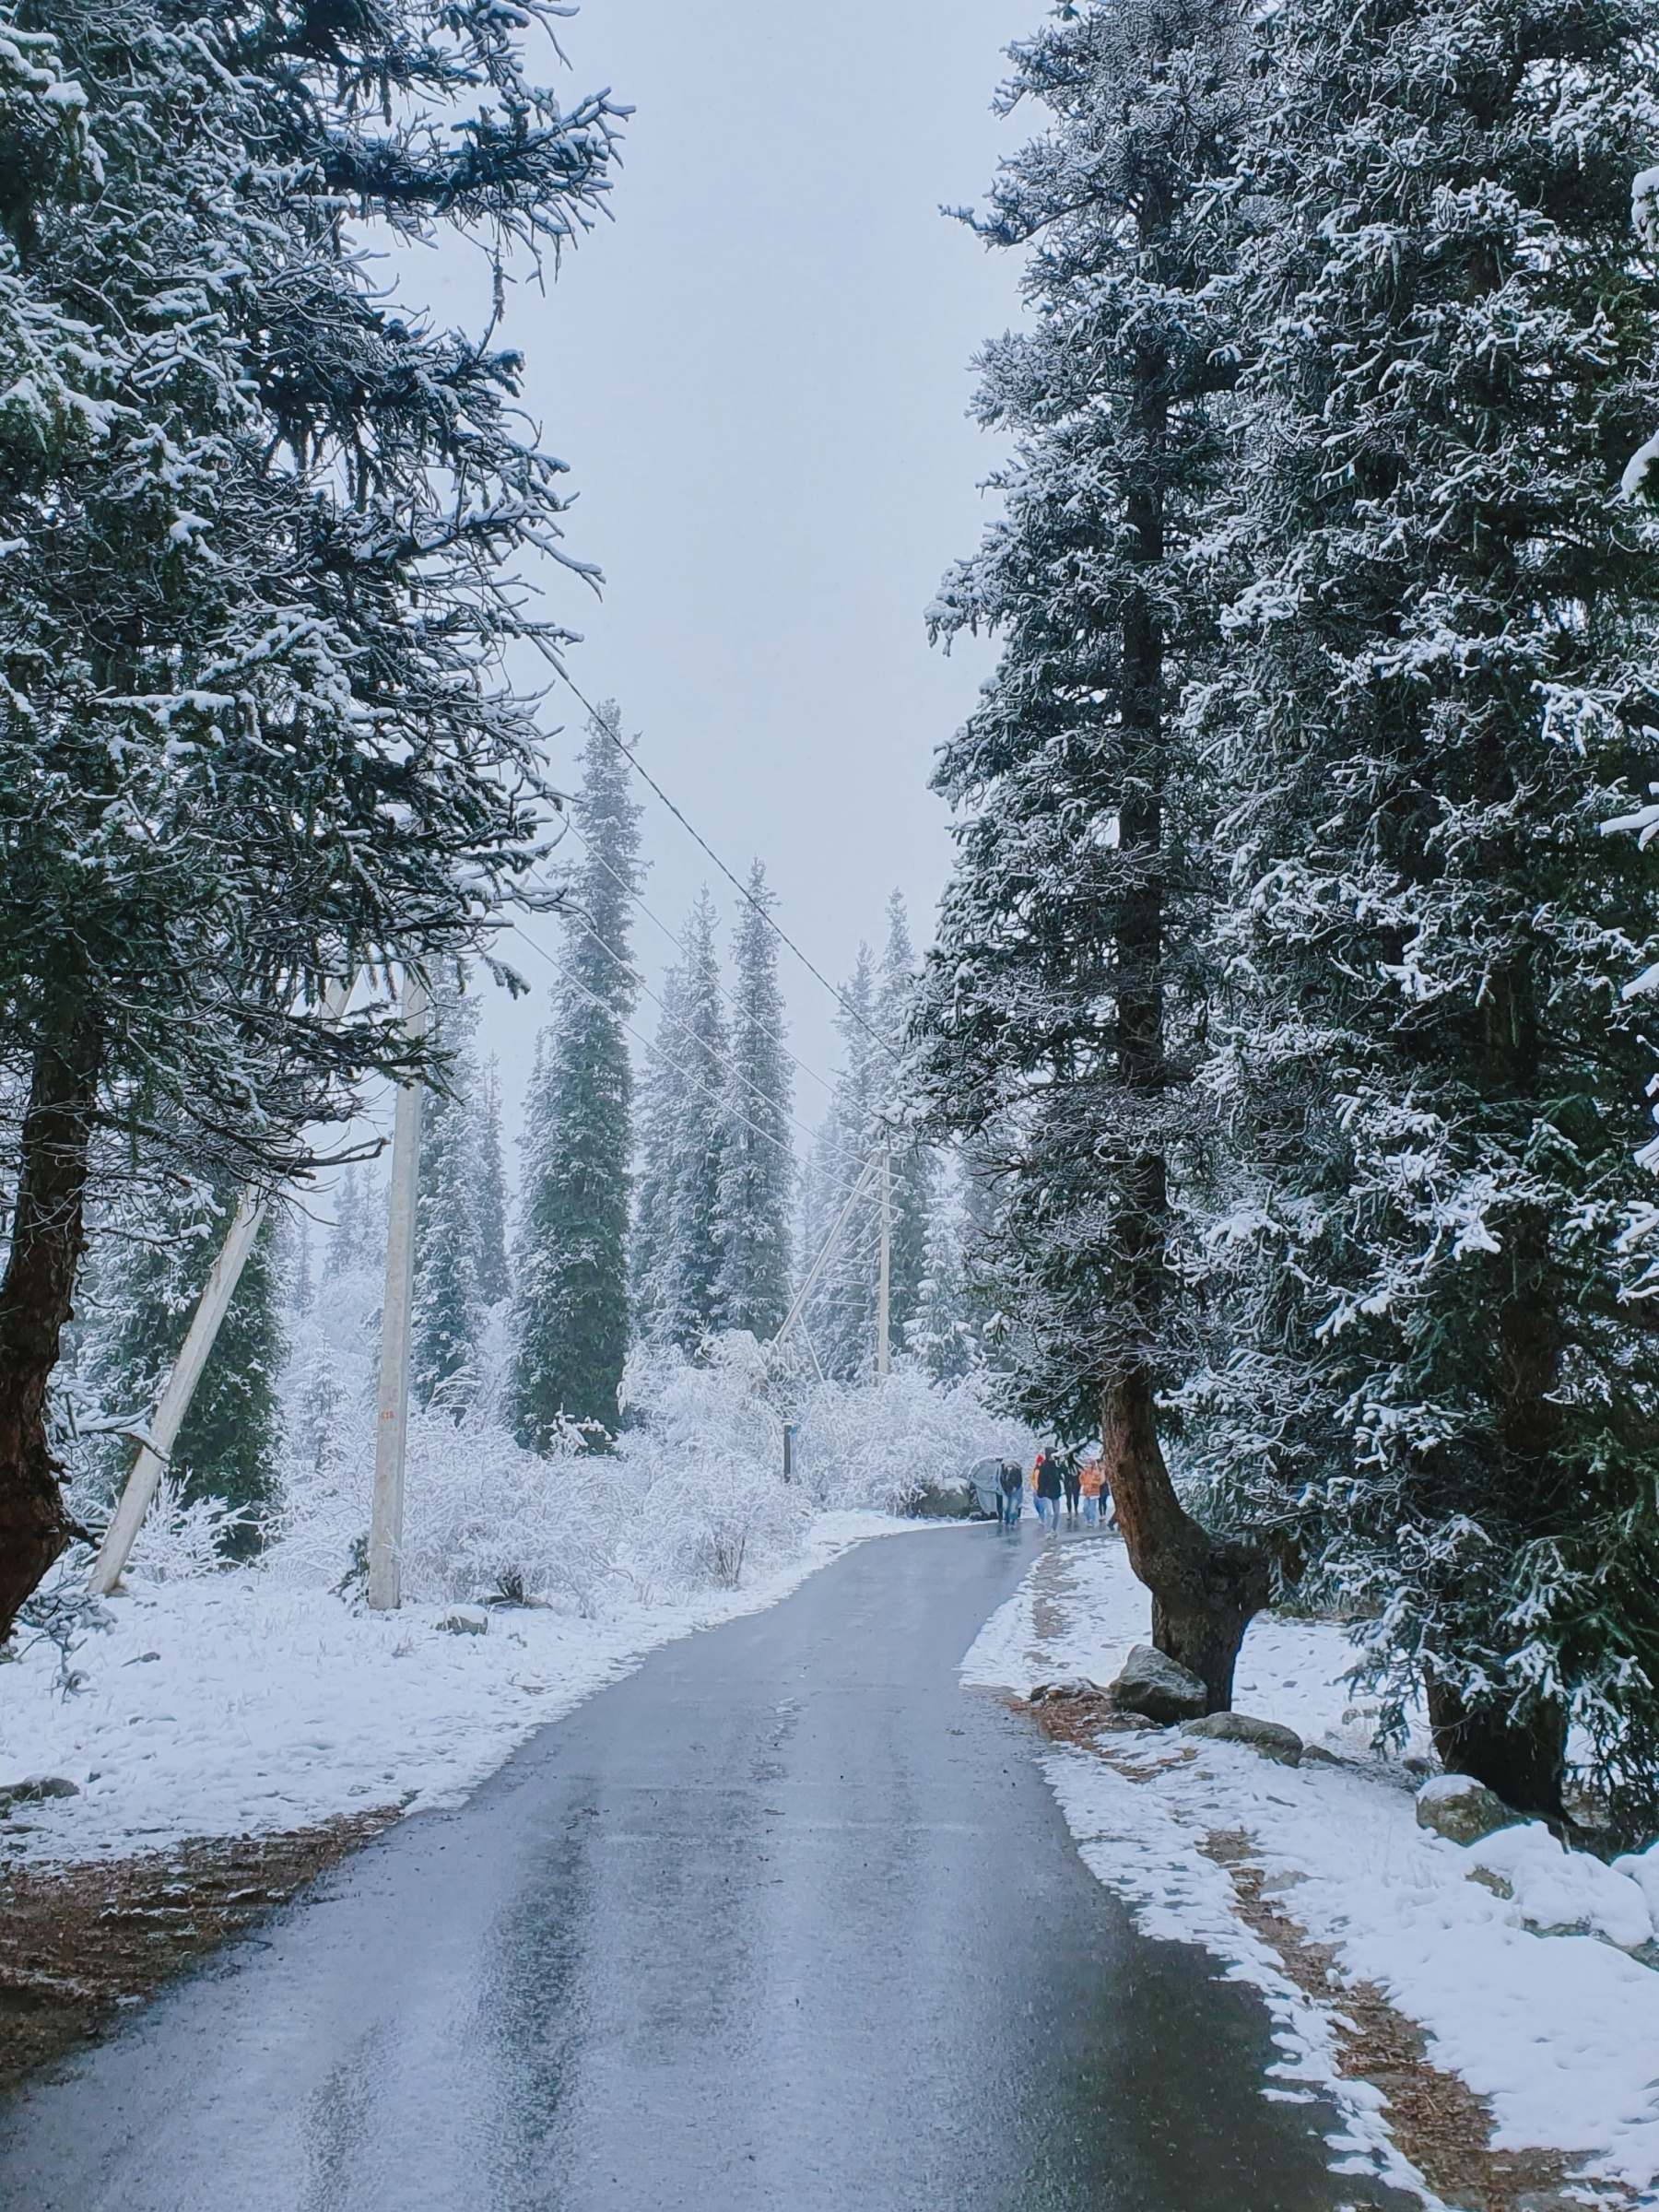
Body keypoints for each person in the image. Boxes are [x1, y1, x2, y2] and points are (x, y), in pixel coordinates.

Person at [1031, 1449, 1065, 1533]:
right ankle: (1047, 1530)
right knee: (1048, 1512)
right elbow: (1041, 1479)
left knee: (1057, 1513)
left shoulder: (1056, 1465)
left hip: (1056, 1492)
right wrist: (1040, 1491)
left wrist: (1061, 1464)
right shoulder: (1044, 1466)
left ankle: (1053, 1528)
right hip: (1046, 1492)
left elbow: (1062, 1473)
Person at [1077, 1453, 1104, 1528]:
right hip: (1086, 1492)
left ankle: (1091, 1521)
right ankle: (1087, 1518)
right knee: (1085, 1507)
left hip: (1093, 1493)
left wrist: (1092, 1483)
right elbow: (1080, 1479)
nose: (1087, 1466)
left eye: (1088, 1464)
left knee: (1092, 1508)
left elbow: (1099, 1481)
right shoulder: (1084, 1473)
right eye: (1086, 1465)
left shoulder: (1096, 1473)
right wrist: (1084, 1485)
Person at [997, 1460, 1023, 1529]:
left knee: (1013, 1507)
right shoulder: (1003, 1472)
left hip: (1014, 1492)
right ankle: (1007, 1520)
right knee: (1005, 1507)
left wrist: (1015, 1488)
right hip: (1006, 1492)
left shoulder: (1017, 1472)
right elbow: (1001, 1481)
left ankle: (1012, 1521)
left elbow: (1019, 1482)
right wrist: (1003, 1490)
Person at [1062, 1457, 1082, 1524]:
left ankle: (1076, 1509)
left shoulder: (1076, 1463)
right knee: (1068, 1498)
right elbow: (1061, 1472)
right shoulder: (1064, 1463)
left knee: (1076, 1497)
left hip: (1075, 1481)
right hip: (1068, 1482)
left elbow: (1080, 1472)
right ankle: (1069, 1512)